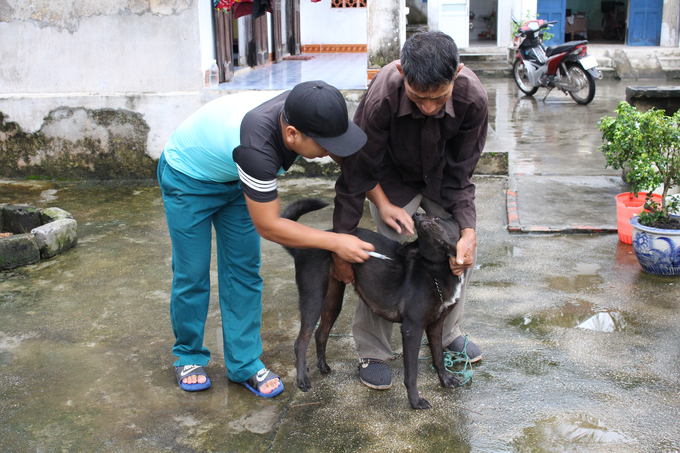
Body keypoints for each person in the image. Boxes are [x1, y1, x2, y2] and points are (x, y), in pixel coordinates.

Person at [158, 81, 373, 396]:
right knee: (192, 272)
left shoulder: (310, 106)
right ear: (292, 135)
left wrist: (382, 201)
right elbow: (270, 226)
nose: (331, 153)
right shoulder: (258, 147)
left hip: (235, 178)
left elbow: (349, 160)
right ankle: (188, 354)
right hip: (187, 177)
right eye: (326, 145)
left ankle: (243, 363)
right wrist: (336, 242)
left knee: (243, 271)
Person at [332, 31, 488, 390]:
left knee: (459, 253)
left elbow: (462, 174)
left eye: (439, 98)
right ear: (402, 72)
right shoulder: (383, 94)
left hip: (442, 181)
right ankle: (373, 349)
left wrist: (468, 231)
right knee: (387, 253)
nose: (430, 107)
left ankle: (446, 331)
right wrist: (342, 241)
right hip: (391, 180)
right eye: (419, 98)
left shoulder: (473, 97)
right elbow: (357, 169)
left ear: (458, 73)